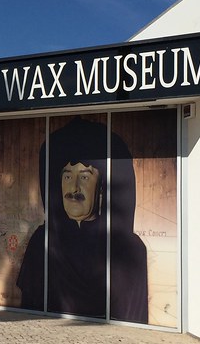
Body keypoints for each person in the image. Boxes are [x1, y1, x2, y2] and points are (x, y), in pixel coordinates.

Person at [16, 118, 148, 322]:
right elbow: (29, 310)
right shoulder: (42, 243)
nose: (74, 188)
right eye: (67, 176)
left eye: (85, 177)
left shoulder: (128, 249)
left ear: (102, 186)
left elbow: (133, 321)